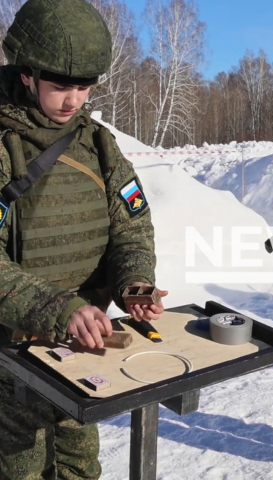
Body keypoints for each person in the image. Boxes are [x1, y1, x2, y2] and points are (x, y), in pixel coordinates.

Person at [0, 0, 166, 478]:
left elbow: (131, 227)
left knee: (79, 465)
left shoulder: (98, 144)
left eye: (84, 86)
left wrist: (134, 283)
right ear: (27, 75)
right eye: (60, 86)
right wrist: (61, 310)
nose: (74, 100)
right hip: (12, 352)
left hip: (81, 346)